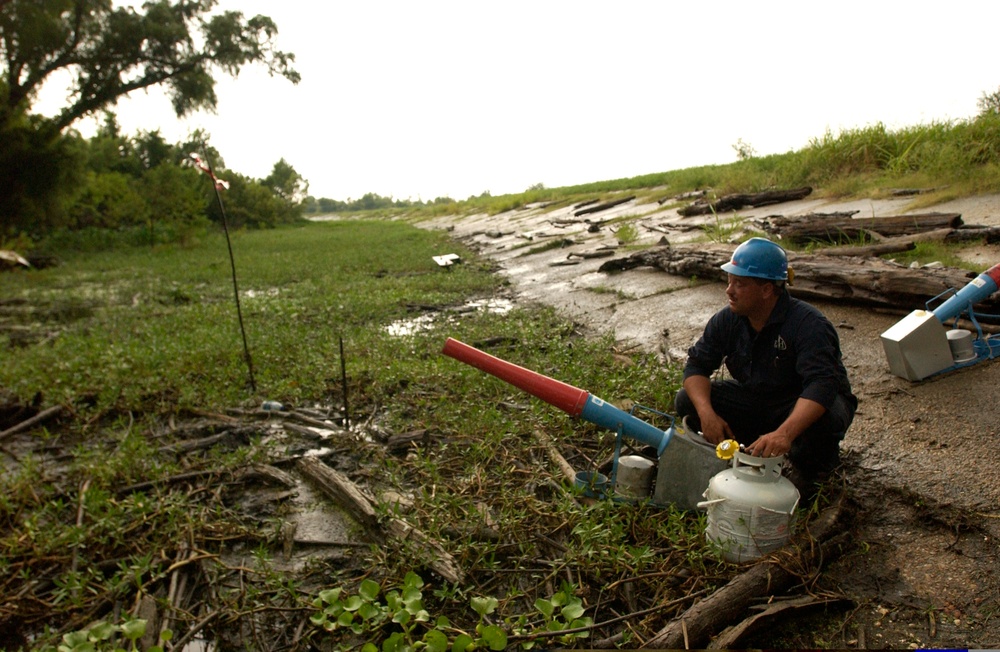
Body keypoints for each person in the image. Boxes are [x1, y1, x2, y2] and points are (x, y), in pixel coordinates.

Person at [674, 237, 858, 492]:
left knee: (826, 416)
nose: (729, 290)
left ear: (767, 289)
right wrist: (707, 415)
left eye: (740, 283)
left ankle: (810, 467)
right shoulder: (728, 320)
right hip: (758, 400)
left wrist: (784, 433)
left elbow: (821, 385)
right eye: (729, 281)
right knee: (687, 400)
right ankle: (750, 453)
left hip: (800, 406)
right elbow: (696, 367)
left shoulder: (808, 324)